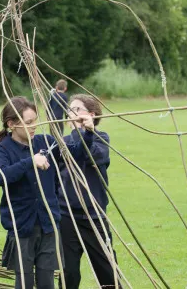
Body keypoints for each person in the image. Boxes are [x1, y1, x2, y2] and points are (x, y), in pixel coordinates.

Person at [0, 96, 95, 289]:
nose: (34, 126)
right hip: (22, 227)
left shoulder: (46, 142)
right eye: (28, 122)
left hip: (48, 225)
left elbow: (76, 154)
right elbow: (1, 176)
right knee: (25, 283)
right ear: (11, 124)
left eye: (36, 121)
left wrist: (87, 132)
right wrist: (32, 160)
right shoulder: (3, 150)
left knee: (47, 283)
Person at [58, 94, 119, 289]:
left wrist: (87, 131)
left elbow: (89, 155)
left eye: (77, 109)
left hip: (94, 216)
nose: (71, 113)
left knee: (109, 273)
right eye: (70, 109)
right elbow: (71, 155)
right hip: (67, 216)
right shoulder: (63, 141)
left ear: (91, 115)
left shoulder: (102, 139)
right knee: (68, 274)